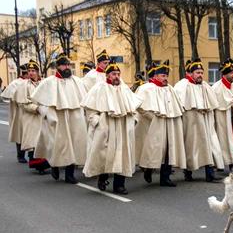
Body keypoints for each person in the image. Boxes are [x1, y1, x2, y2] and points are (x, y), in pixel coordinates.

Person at [81, 61, 141, 194]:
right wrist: (98, 123)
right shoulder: (99, 88)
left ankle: (119, 185)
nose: (117, 76)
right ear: (107, 75)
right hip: (106, 126)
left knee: (122, 156)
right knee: (104, 155)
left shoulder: (124, 89)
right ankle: (102, 178)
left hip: (123, 128)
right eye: (114, 74)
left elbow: (134, 107)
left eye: (118, 74)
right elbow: (90, 110)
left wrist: (134, 120)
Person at [31, 53, 87, 183]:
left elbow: (84, 99)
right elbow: (40, 102)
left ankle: (69, 174)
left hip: (74, 117)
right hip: (57, 117)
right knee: (58, 145)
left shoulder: (77, 81)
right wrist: (46, 114)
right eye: (64, 65)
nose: (67, 67)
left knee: (73, 145)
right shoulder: (49, 82)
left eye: (68, 64)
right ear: (58, 67)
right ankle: (54, 165)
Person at [135, 61, 186, 187]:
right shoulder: (146, 88)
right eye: (163, 76)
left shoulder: (170, 89)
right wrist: (152, 118)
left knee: (168, 151)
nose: (165, 78)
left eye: (166, 76)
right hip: (154, 125)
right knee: (154, 150)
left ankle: (165, 177)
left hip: (169, 124)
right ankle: (148, 169)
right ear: (156, 76)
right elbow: (140, 107)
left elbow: (176, 106)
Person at [174, 59, 223, 182]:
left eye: (201, 72)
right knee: (191, 147)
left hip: (206, 121)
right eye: (197, 72)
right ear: (190, 74)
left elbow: (211, 103)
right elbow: (178, 104)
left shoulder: (205, 86)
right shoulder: (182, 85)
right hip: (191, 122)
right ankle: (188, 172)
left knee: (210, 145)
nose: (200, 75)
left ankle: (210, 174)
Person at [1, 64, 31, 163]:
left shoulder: (31, 82)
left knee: (31, 133)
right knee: (20, 134)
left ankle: (33, 156)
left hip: (30, 112)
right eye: (27, 72)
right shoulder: (15, 83)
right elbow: (7, 95)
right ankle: (20, 155)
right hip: (19, 112)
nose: (28, 74)